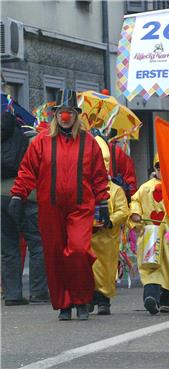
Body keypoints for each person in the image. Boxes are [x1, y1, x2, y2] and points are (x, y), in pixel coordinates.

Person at [10, 89, 110, 320]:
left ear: (76, 115)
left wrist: (102, 201)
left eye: (69, 112)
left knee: (78, 250)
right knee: (55, 256)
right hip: (50, 207)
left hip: (80, 207)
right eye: (61, 112)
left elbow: (98, 175)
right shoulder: (41, 143)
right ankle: (64, 304)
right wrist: (18, 195)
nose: (65, 116)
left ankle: (82, 299)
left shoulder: (89, 143)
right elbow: (27, 171)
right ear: (55, 115)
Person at [129, 154, 169, 315]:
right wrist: (135, 215)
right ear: (155, 168)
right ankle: (151, 297)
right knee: (150, 266)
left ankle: (168, 301)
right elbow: (135, 201)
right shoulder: (146, 188)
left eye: (165, 166)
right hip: (151, 233)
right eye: (158, 166)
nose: (161, 170)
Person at [1, 112, 49, 305]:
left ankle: (12, 294)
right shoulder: (30, 141)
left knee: (8, 248)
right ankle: (38, 292)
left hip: (0, 199)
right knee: (37, 244)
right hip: (25, 197)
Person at [90, 136, 129, 315]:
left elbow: (123, 211)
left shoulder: (116, 190)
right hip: (89, 237)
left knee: (105, 270)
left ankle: (104, 300)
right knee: (88, 268)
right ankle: (89, 298)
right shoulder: (86, 189)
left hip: (107, 239)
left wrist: (111, 220)